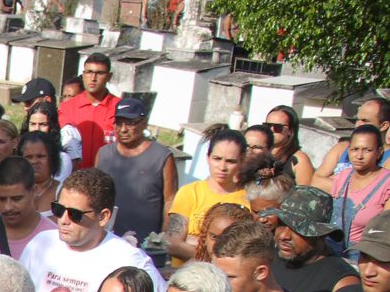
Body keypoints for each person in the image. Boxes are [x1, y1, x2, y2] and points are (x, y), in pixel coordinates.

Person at [19, 168, 167, 292]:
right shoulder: (40, 243)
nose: (63, 220)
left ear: (103, 217)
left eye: (75, 214)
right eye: (58, 209)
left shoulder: (130, 260)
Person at [95, 98, 176, 246]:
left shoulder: (162, 157)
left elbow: (170, 201)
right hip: (107, 240)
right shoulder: (104, 154)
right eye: (119, 123)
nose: (123, 129)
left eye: (130, 123)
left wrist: (162, 239)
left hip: (146, 244)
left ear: (144, 123)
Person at [166, 129, 247, 265]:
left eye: (231, 161)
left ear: (242, 161)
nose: (222, 167)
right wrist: (220, 255)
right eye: (217, 159)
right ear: (207, 157)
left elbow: (244, 251)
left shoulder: (247, 199)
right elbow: (172, 244)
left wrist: (192, 240)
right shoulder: (189, 192)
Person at [330, 125, 390, 255]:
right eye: (354, 149)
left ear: (379, 152)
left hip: (365, 254)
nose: (359, 156)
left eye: (367, 150)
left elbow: (389, 231)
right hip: (332, 249)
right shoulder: (342, 177)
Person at [313, 97, 390, 190]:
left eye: (365, 120)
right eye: (357, 120)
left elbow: (375, 193)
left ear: (383, 125)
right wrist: (355, 187)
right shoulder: (341, 148)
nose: (358, 124)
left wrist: (333, 181)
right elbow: (315, 182)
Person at [0, 156, 58, 259]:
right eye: (2, 199)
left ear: (34, 191)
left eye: (16, 199)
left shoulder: (54, 237)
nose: (8, 207)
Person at [58, 53, 118, 168]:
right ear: (83, 74)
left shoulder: (118, 108)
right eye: (89, 72)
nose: (93, 78)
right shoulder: (67, 108)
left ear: (109, 76)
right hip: (74, 179)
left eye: (100, 73)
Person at [22, 100, 79, 181]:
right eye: (33, 124)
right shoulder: (20, 153)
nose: (37, 129)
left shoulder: (62, 159)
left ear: (52, 127)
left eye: (43, 124)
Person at [264, 105, 317, 187]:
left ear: (291, 131)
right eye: (267, 126)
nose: (271, 130)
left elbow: (305, 195)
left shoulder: (299, 160)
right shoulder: (259, 151)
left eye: (277, 127)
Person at [18, 131, 63, 216]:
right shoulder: (12, 190)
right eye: (29, 157)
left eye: (40, 156)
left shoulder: (62, 192)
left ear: (52, 159)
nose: (34, 161)